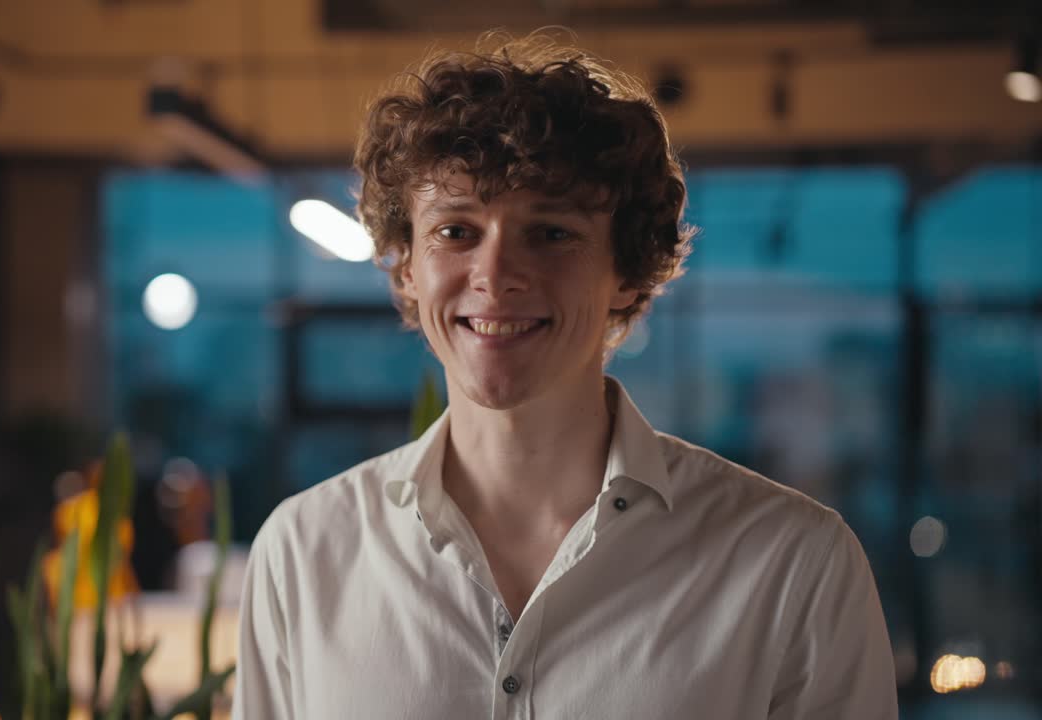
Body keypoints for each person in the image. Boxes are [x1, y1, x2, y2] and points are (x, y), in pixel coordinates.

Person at [235, 32, 897, 719]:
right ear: (406, 267)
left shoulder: (795, 565)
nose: (495, 276)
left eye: (551, 233)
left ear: (628, 273)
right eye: (456, 231)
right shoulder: (303, 552)